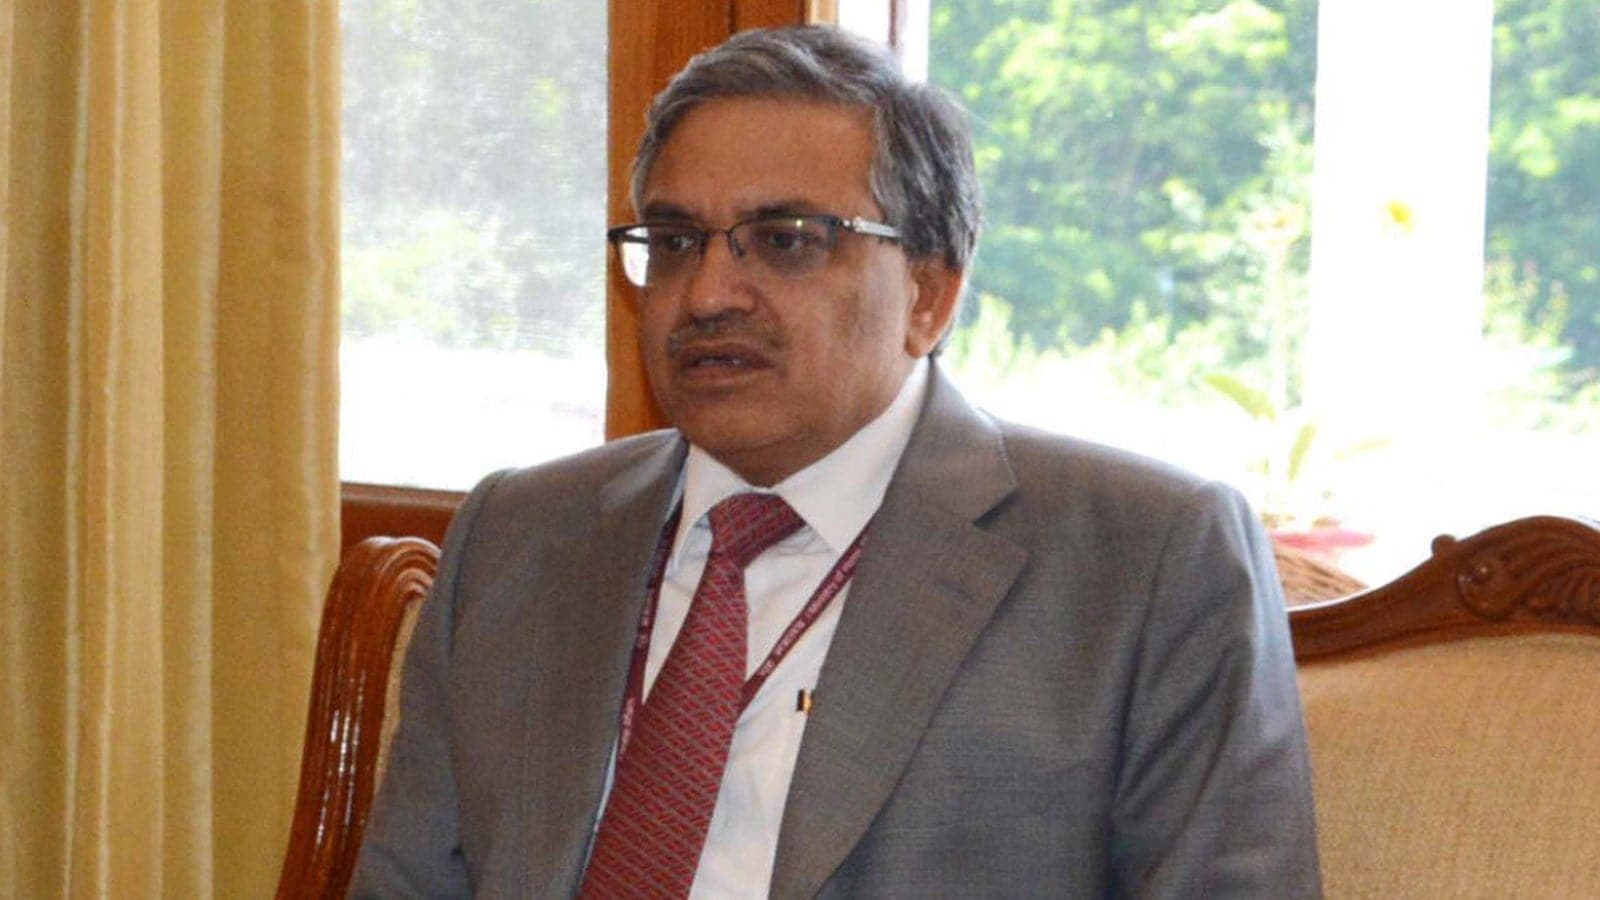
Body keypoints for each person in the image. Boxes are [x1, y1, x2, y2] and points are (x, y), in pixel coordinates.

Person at [350, 24, 1321, 899]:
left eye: (785, 241)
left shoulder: (1145, 560)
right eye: (676, 241)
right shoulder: (519, 535)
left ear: (929, 295)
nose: (708, 294)